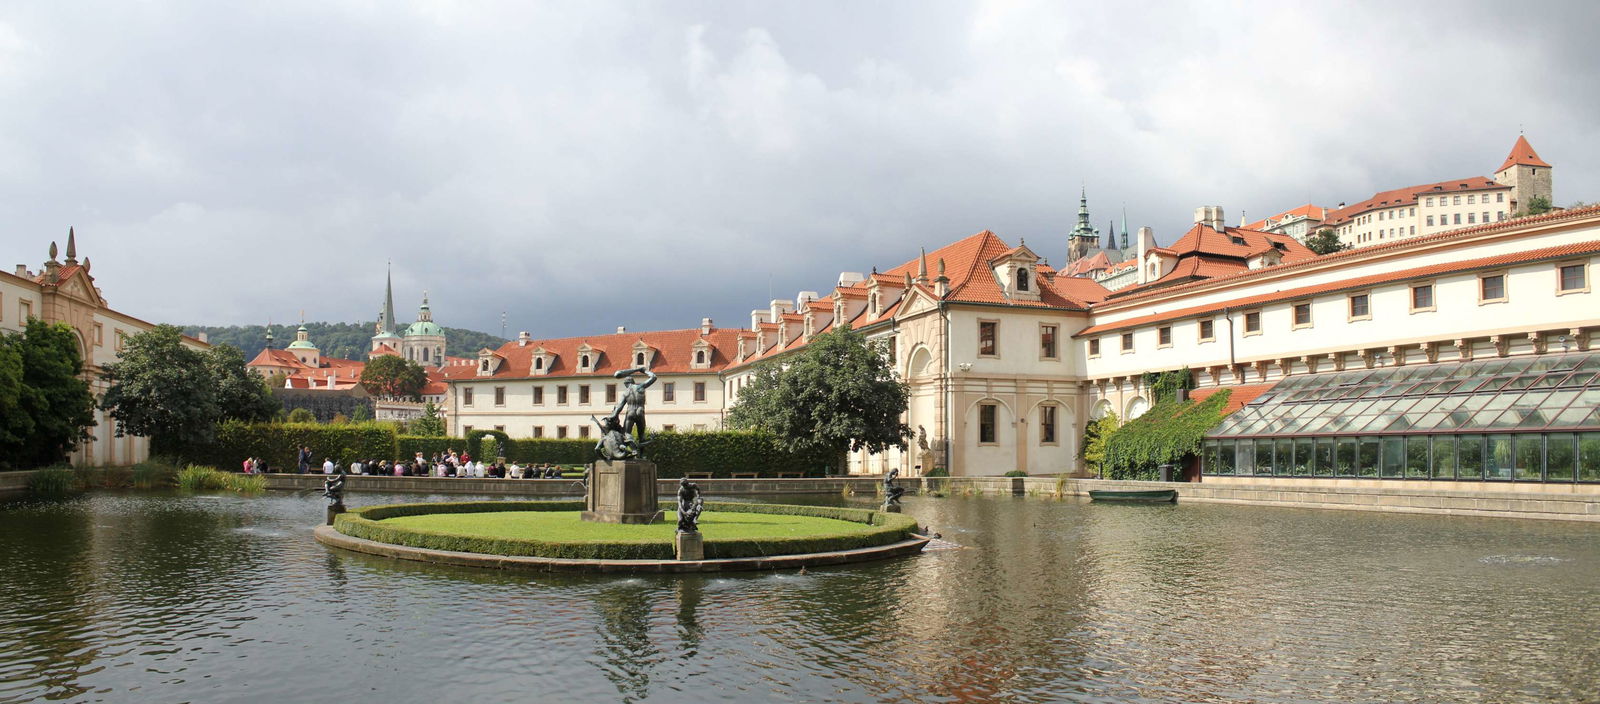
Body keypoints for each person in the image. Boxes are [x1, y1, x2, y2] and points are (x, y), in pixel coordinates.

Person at [610, 366, 658, 443]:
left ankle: (633, 448)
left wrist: (613, 415)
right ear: (633, 382)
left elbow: (620, 406)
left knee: (627, 433)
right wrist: (644, 371)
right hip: (640, 411)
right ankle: (642, 454)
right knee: (642, 436)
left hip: (630, 412)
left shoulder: (626, 393)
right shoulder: (640, 387)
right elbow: (653, 377)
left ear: (626, 384)